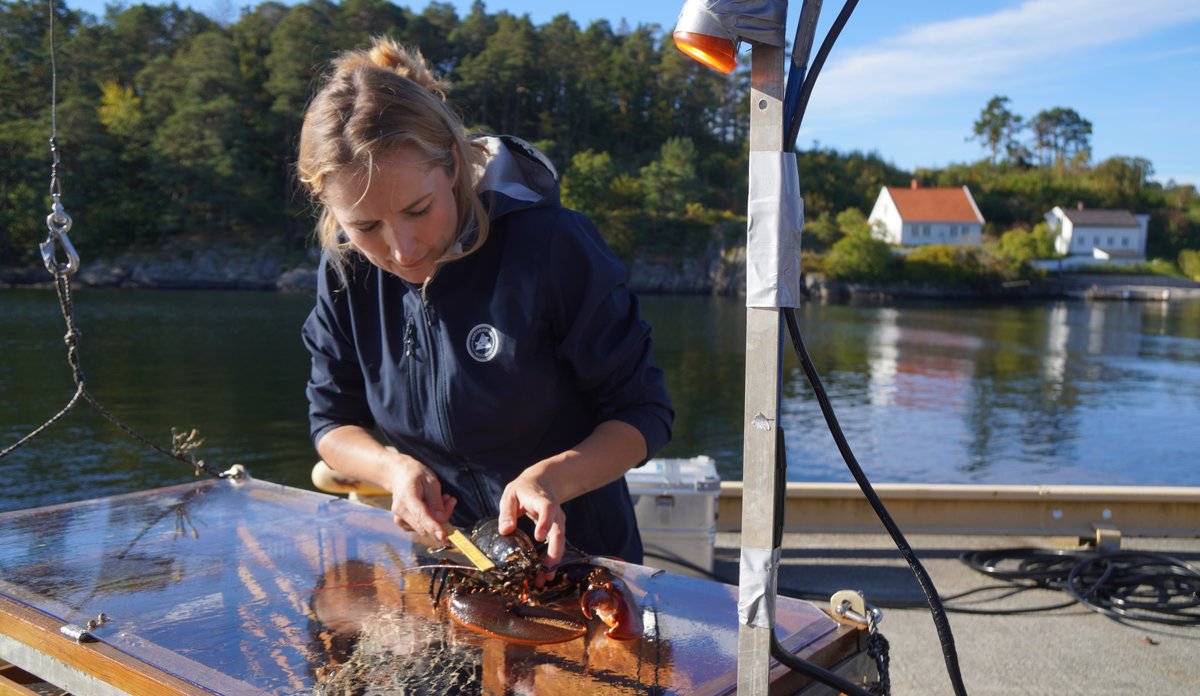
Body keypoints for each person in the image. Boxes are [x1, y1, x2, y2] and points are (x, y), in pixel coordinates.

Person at [298, 37, 673, 570]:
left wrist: (551, 479)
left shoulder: (551, 246)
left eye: (418, 209)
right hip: (448, 567)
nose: (402, 250)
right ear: (328, 205)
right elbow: (332, 423)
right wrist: (392, 470)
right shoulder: (344, 273)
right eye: (366, 227)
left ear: (452, 163)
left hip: (582, 565)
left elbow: (643, 412)